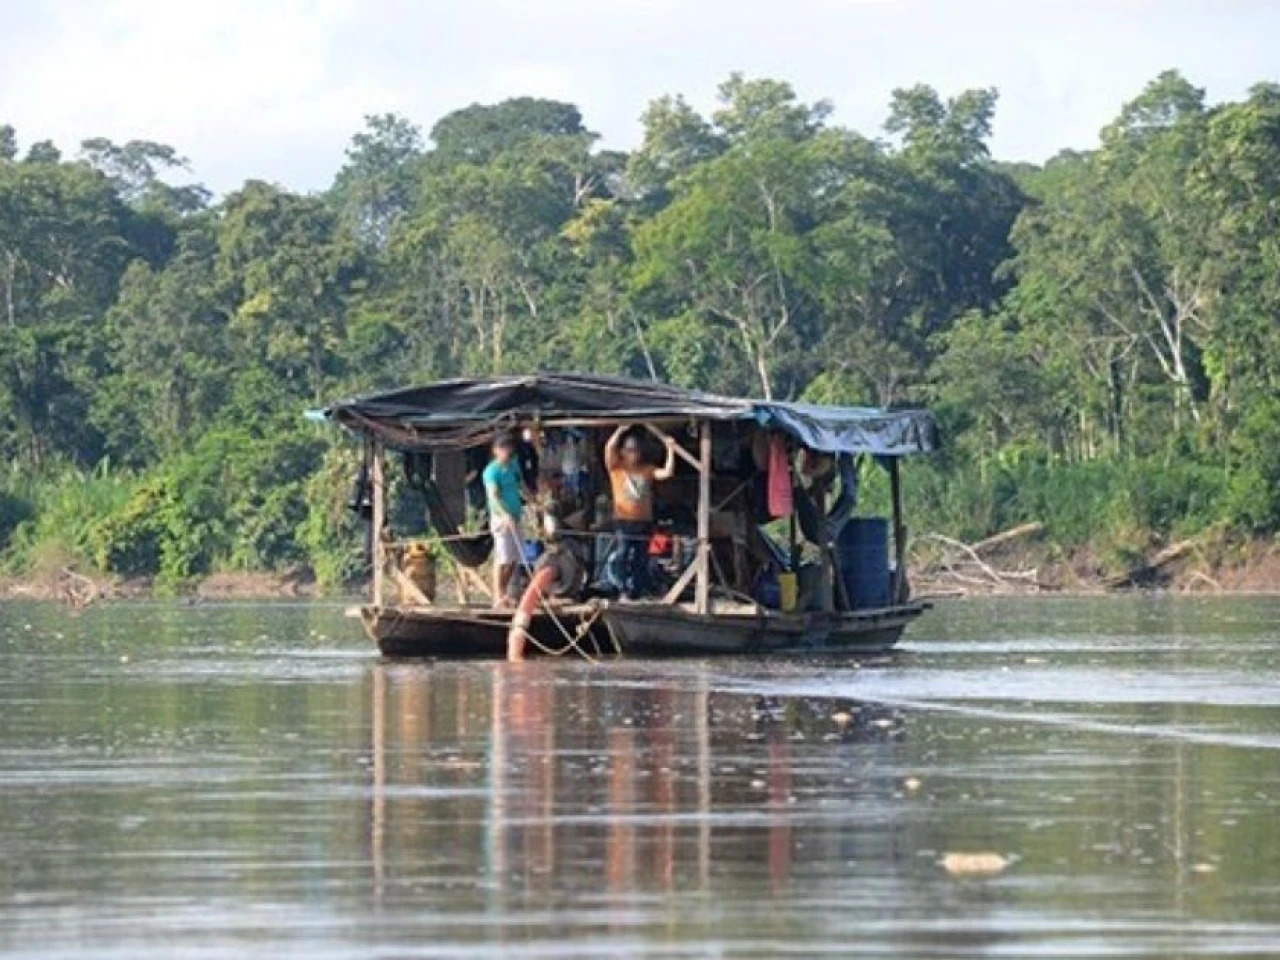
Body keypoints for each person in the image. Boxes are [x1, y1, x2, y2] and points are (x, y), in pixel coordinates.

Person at [604, 424, 677, 599]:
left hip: (644, 521)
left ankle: (636, 591)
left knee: (641, 557)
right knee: (622, 555)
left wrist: (671, 449)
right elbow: (609, 448)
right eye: (629, 450)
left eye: (636, 450)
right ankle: (622, 589)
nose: (633, 454)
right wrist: (619, 431)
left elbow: (667, 472)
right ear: (623, 452)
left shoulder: (647, 469)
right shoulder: (617, 468)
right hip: (624, 521)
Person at [483, 432, 526, 607]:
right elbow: (493, 496)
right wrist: (504, 514)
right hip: (501, 519)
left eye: (509, 447)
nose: (507, 451)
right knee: (503, 558)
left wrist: (533, 501)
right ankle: (498, 595)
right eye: (504, 448)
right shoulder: (491, 471)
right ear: (496, 450)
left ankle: (505, 591)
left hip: (516, 516)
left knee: (515, 558)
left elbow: (521, 486)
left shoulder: (514, 465)